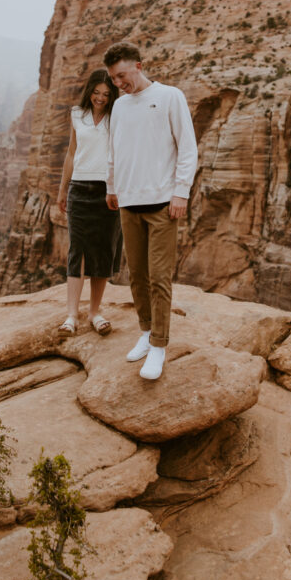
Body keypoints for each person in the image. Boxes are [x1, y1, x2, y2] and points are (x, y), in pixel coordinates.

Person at [104, 42, 197, 380]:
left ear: (139, 66)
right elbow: (114, 149)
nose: (119, 83)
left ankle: (159, 345)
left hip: (162, 204)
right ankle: (145, 331)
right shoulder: (119, 106)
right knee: (137, 275)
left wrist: (181, 193)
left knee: (159, 277)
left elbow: (187, 148)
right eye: (114, 78)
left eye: (123, 76)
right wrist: (111, 187)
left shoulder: (171, 96)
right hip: (128, 203)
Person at [56, 68, 122, 337]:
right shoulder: (77, 115)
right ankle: (71, 315)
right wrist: (62, 189)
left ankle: (95, 312)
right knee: (77, 251)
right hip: (79, 188)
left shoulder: (116, 117)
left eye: (106, 94)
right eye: (96, 92)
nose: (100, 98)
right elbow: (72, 153)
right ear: (89, 91)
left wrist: (117, 188)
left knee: (103, 251)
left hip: (108, 190)